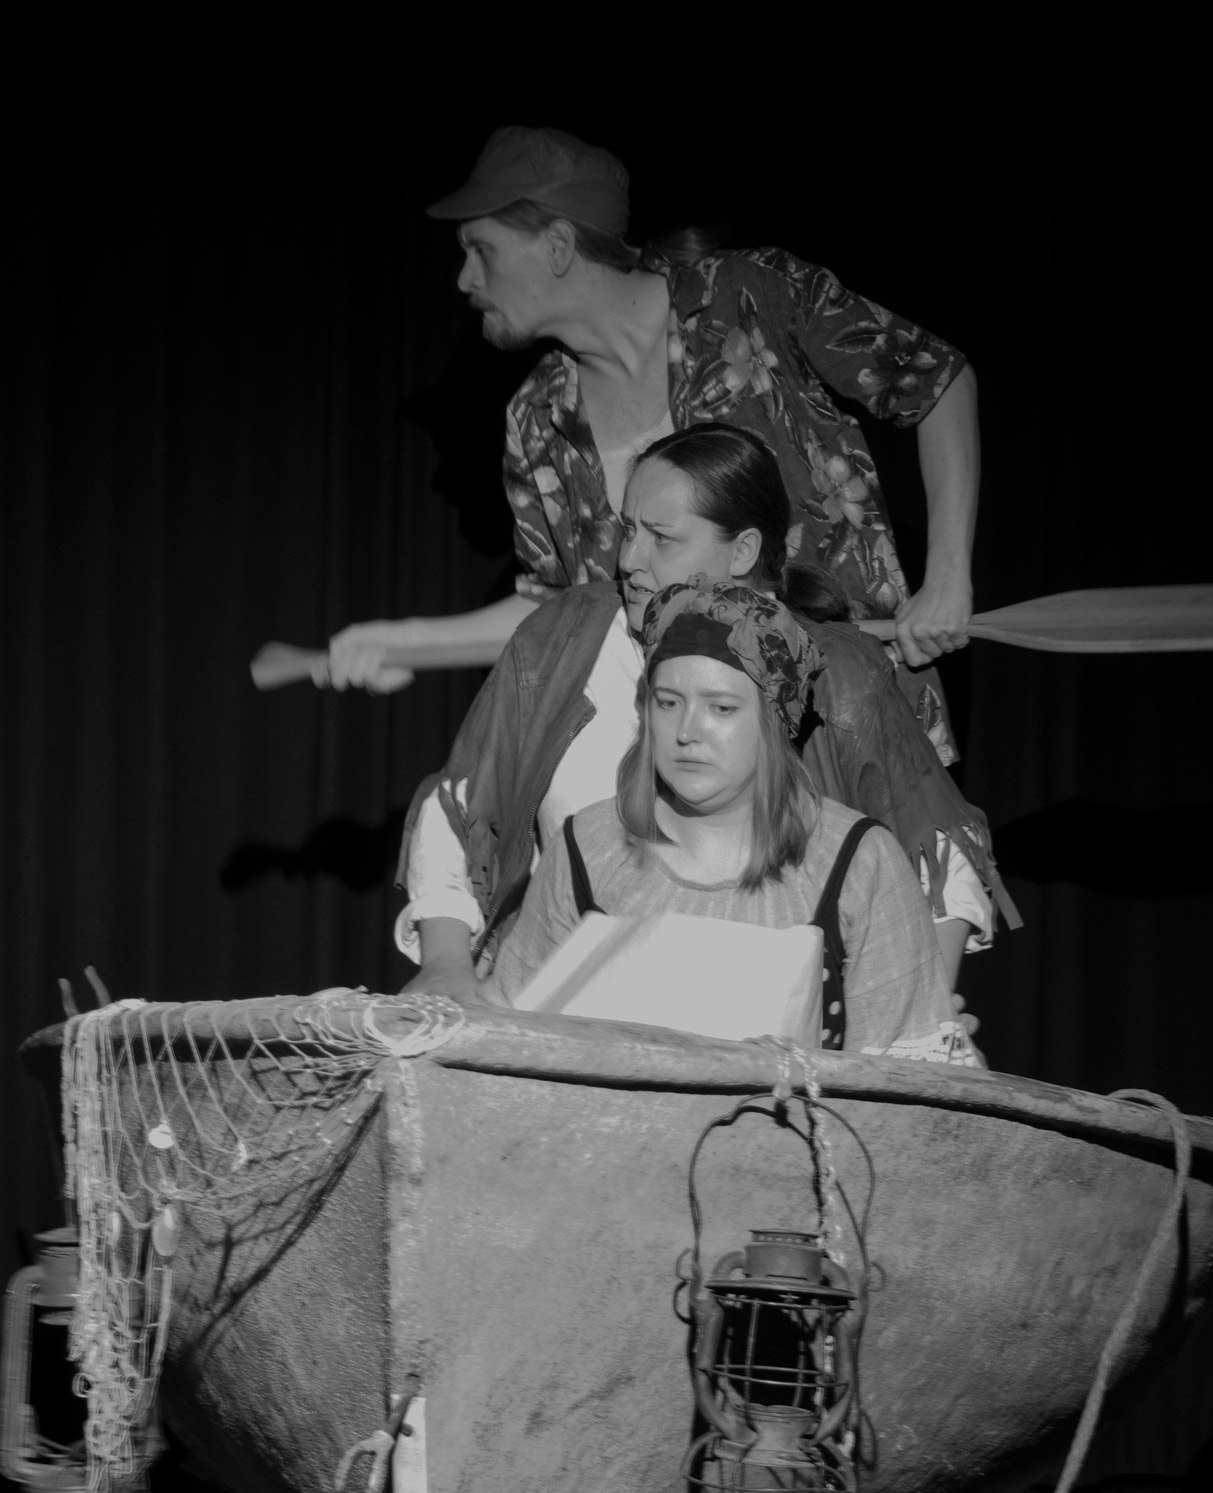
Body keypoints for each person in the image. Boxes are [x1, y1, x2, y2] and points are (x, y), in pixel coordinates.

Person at [327, 125, 981, 758]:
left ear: (557, 246)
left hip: (847, 731)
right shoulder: (539, 416)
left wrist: (948, 573)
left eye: (482, 251)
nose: (465, 279)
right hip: (696, 767)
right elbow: (561, 610)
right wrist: (405, 642)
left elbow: (938, 381)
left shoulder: (749, 295)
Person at [397, 424, 1018, 1014]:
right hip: (566, 1014)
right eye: (628, 530)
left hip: (766, 1036)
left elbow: (939, 855)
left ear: (742, 550)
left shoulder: (837, 672)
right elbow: (464, 801)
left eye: (662, 538)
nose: (630, 559)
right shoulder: (565, 638)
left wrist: (918, 1015)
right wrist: (446, 962)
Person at [490, 579, 979, 1063]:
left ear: (774, 719)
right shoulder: (588, 848)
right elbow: (509, 1040)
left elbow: (900, 1081)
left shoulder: (856, 862)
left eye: (721, 708)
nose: (687, 732)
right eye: (668, 702)